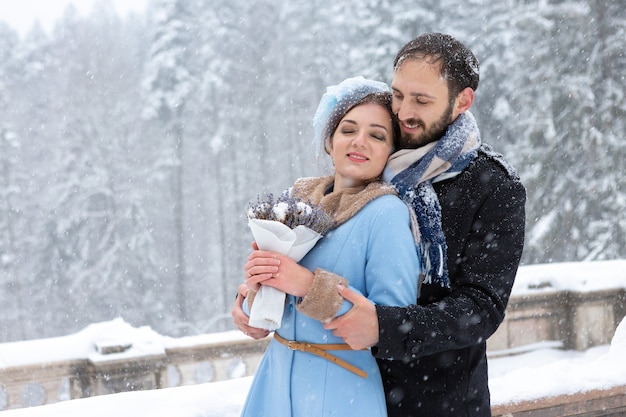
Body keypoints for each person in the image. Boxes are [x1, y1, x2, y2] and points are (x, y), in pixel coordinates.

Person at [234, 33, 526, 417]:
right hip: (342, 384)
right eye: (398, 95)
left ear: (462, 101)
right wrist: (256, 301)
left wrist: (384, 326)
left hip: (435, 398)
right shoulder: (369, 170)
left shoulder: (491, 186)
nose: (403, 111)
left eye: (421, 100)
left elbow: (481, 308)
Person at [239, 76, 421, 417]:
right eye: (348, 129)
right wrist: (250, 296)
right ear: (330, 140)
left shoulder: (386, 213)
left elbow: (393, 323)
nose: (360, 142)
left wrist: (307, 285)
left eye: (377, 135)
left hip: (341, 393)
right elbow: (275, 305)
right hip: (272, 387)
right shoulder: (297, 201)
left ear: (390, 151)